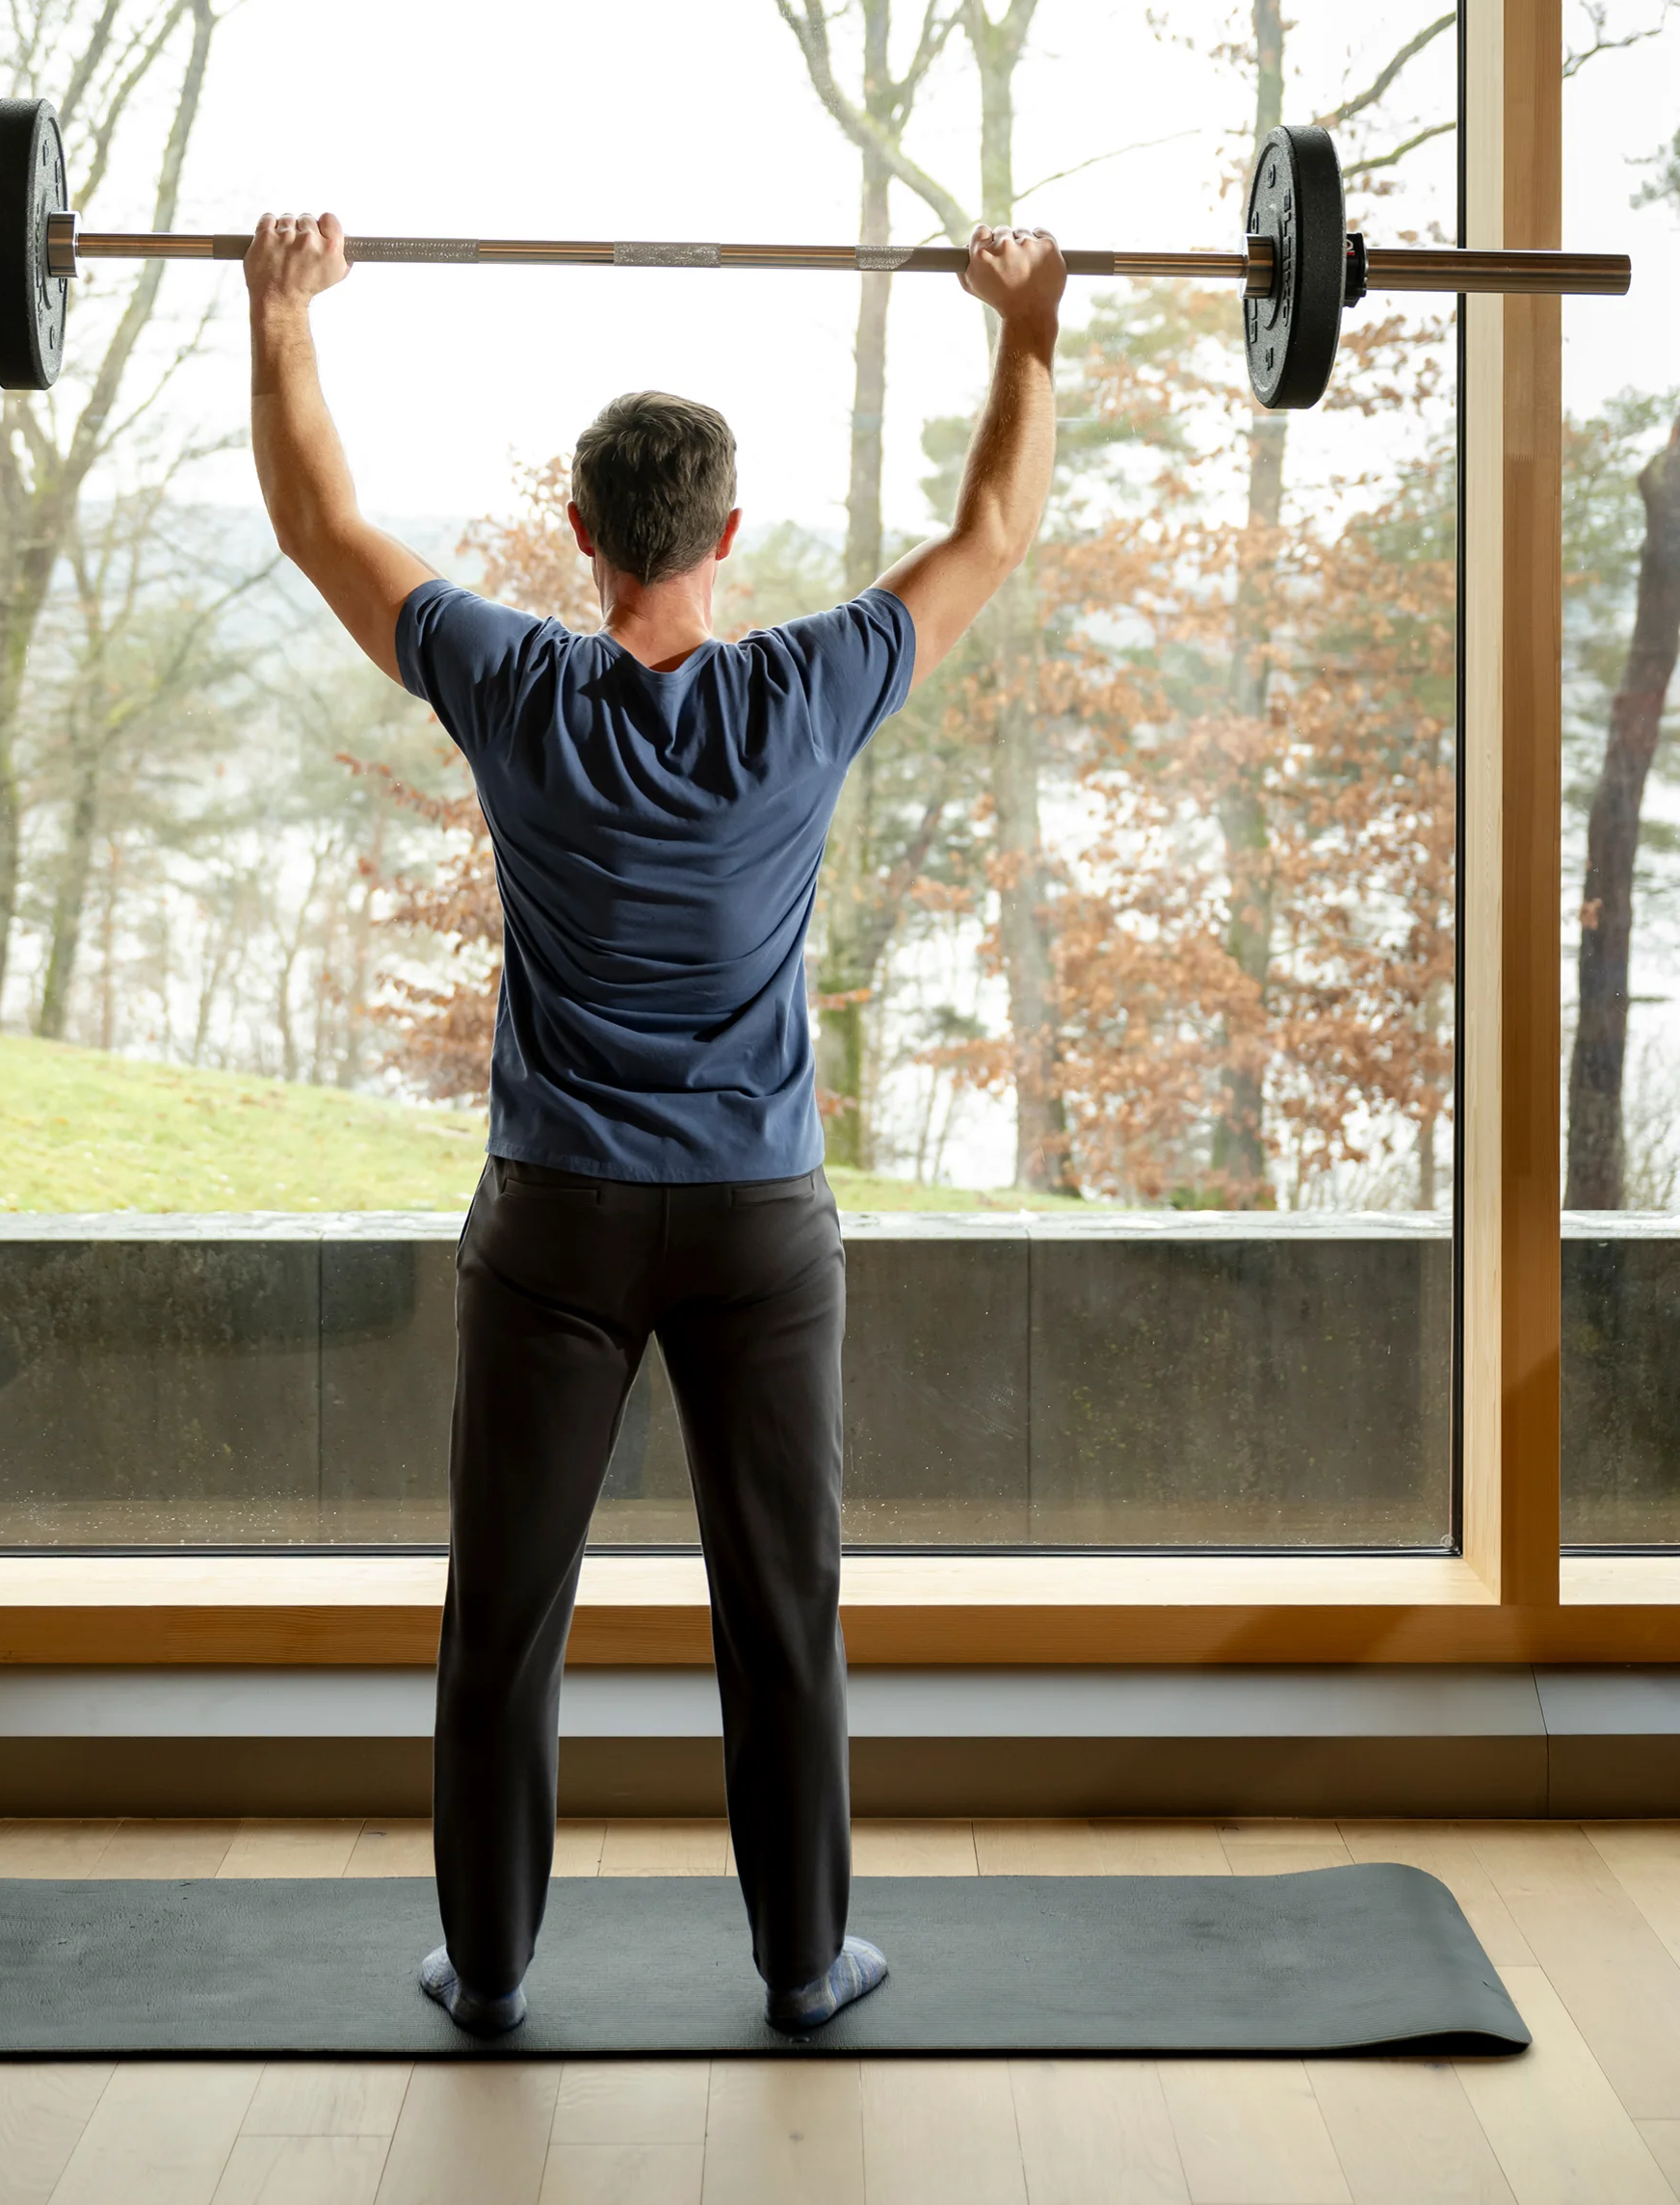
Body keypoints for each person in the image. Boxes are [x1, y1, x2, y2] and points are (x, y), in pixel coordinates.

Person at [247, 209, 1062, 2035]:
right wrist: (1028, 323)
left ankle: (493, 1965)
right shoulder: (807, 687)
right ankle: (799, 1962)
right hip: (761, 1220)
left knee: (506, 1614)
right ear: (724, 535)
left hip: (556, 1222)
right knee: (783, 1611)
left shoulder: (515, 685)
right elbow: (992, 530)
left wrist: (282, 315)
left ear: (579, 533)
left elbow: (317, 525)